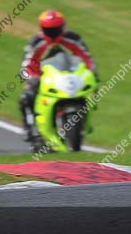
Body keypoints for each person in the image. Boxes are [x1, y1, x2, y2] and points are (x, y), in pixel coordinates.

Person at [18, 10, 96, 142]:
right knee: (26, 97)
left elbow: (87, 58)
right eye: (49, 30)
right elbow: (27, 63)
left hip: (69, 76)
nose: (53, 32)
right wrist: (31, 79)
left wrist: (91, 73)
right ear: (42, 29)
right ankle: (30, 128)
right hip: (44, 77)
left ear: (62, 27)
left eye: (56, 29)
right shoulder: (36, 42)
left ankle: (85, 124)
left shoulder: (73, 39)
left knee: (92, 88)